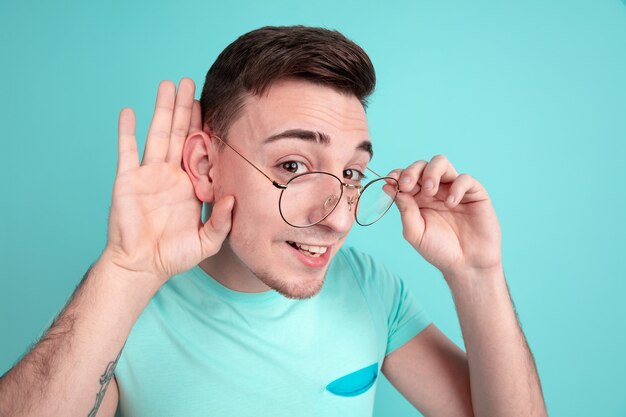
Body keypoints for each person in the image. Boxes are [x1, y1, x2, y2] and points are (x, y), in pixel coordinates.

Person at [0, 26, 547, 417]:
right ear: (204, 166)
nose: (335, 220)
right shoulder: (124, 321)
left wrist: (478, 273)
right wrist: (125, 273)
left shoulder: (371, 289)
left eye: (353, 173)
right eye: (293, 166)